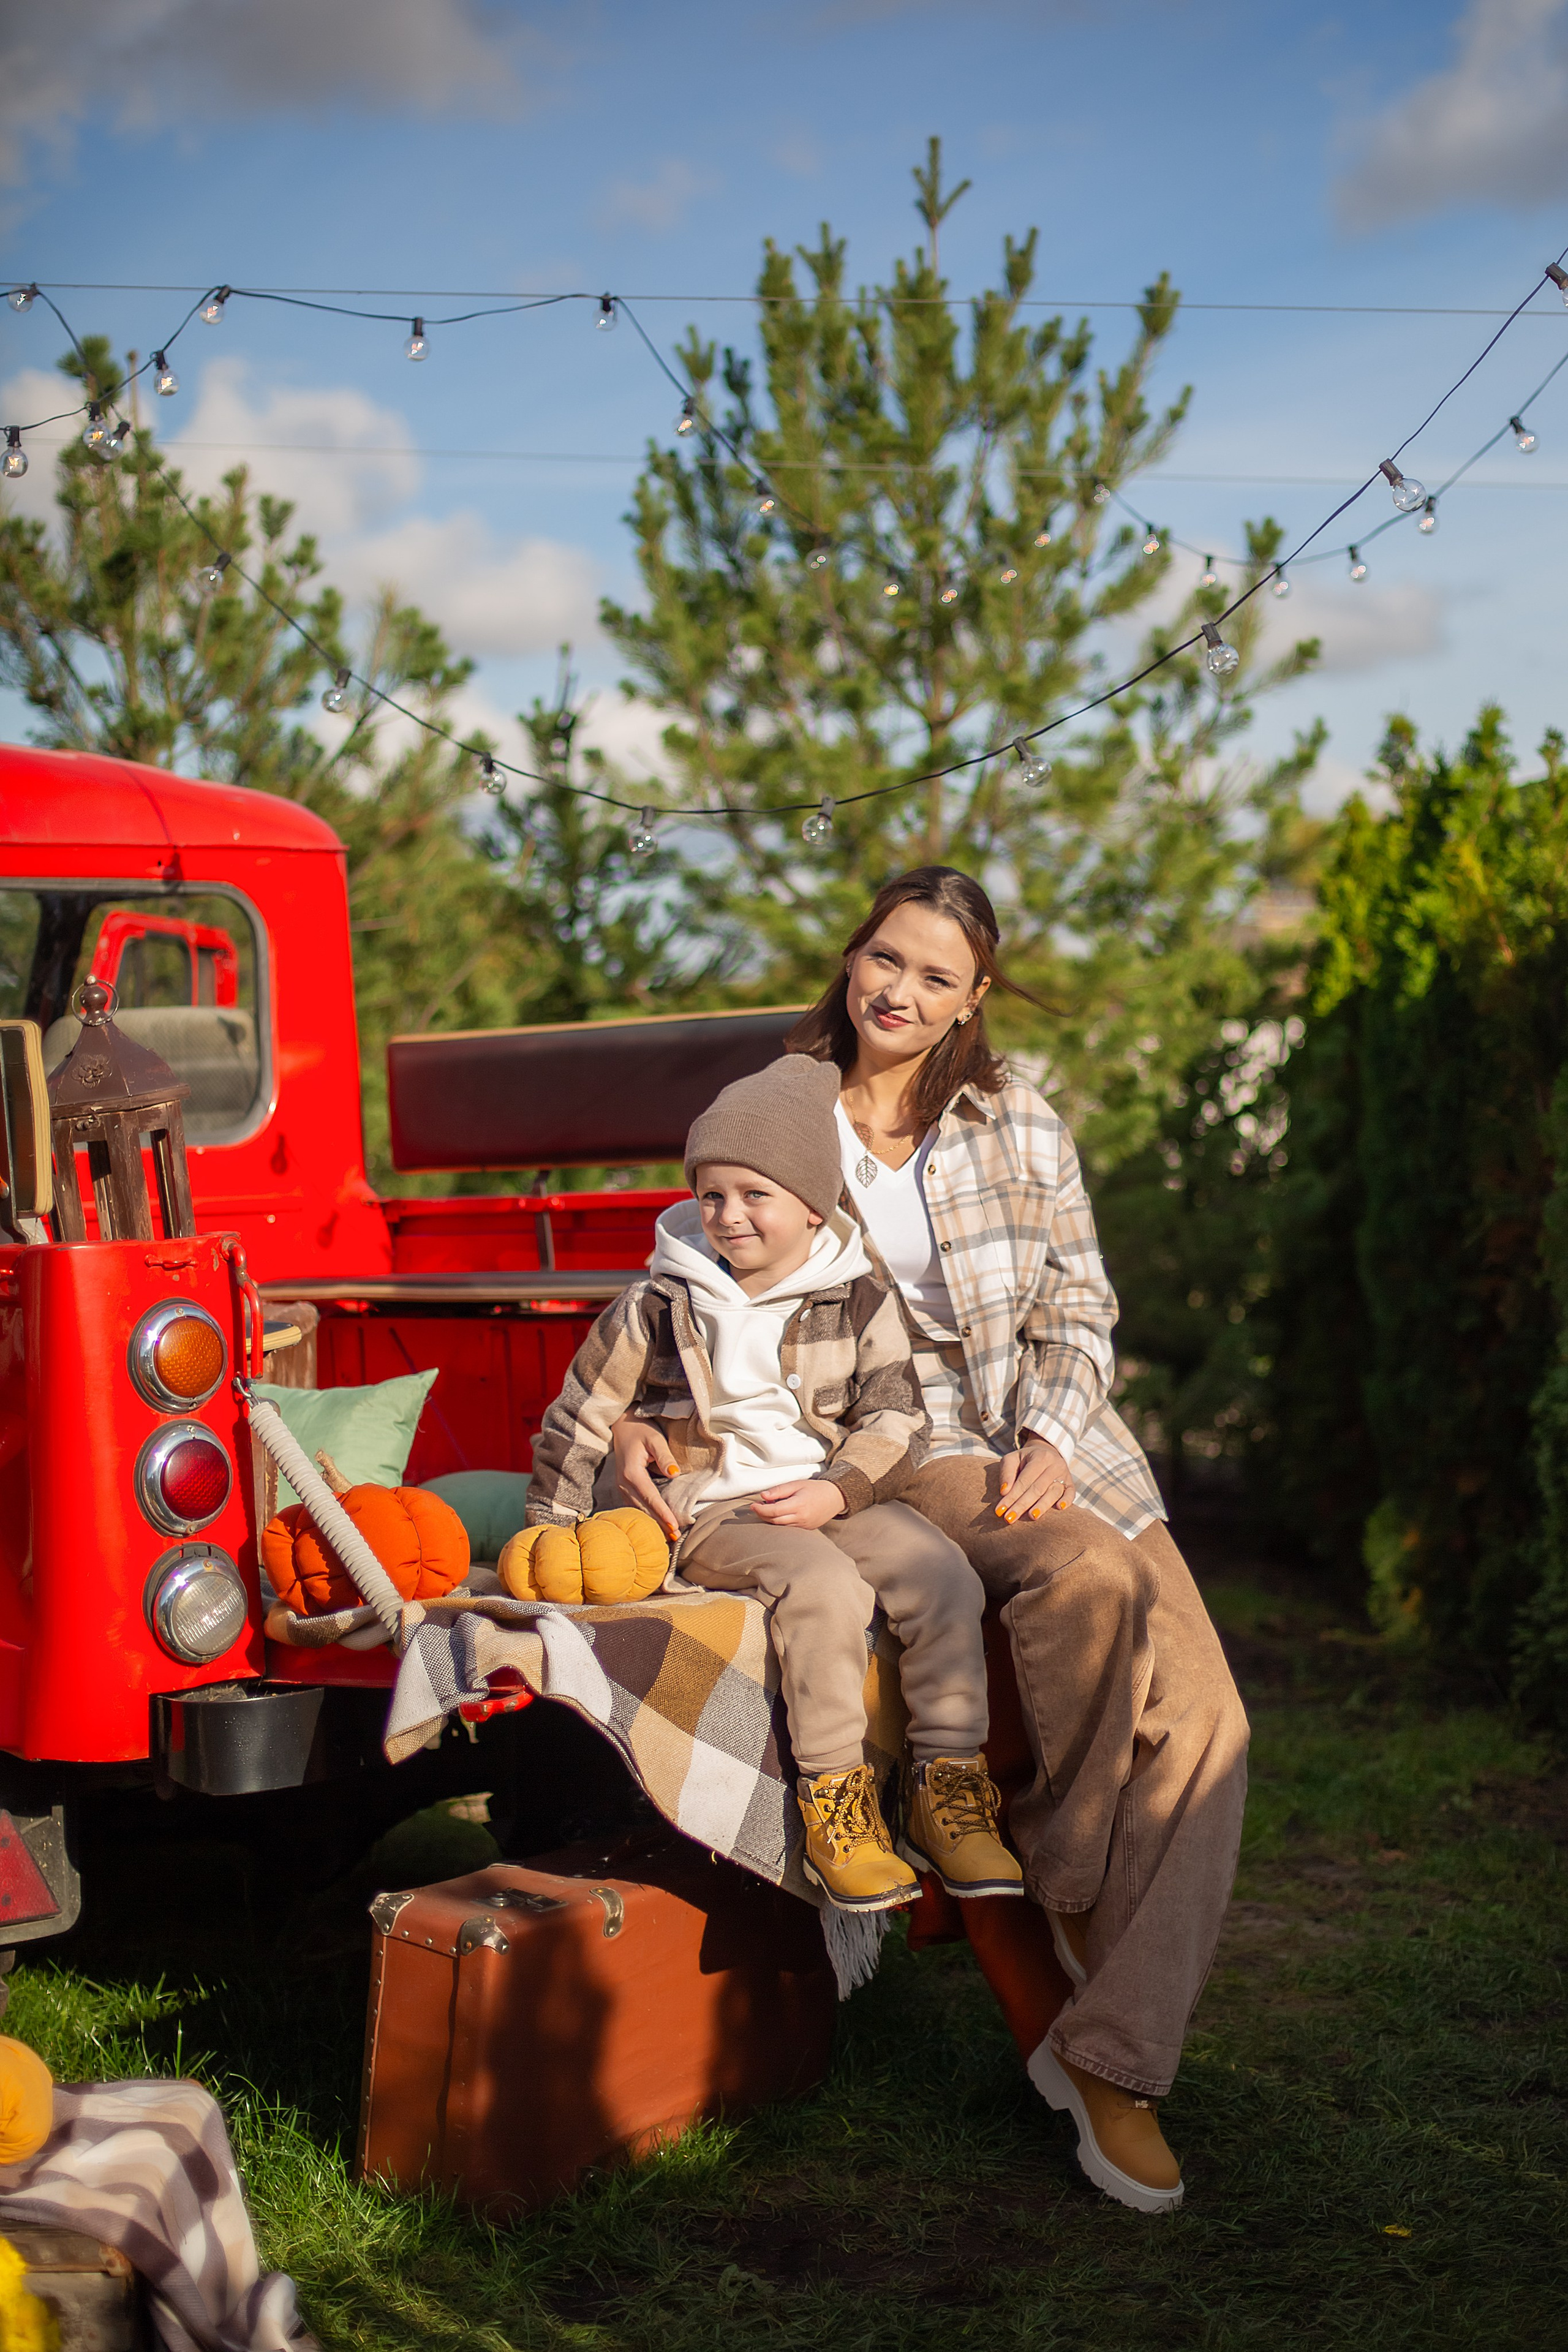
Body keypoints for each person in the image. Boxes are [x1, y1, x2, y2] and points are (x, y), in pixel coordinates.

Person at [612, 867, 1250, 2218]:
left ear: (971, 1000)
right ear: (853, 958)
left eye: (933, 977)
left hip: (1056, 1445)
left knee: (1208, 1726)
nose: (896, 993)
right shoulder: (787, 1107)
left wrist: (1063, 1431)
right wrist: (634, 1428)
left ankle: (1110, 2044)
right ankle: (1068, 1879)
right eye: (882, 959)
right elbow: (685, 1285)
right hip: (895, 1447)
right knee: (1078, 1577)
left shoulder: (1014, 1118)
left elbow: (1079, 1303)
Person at [524, 1050, 1024, 1917]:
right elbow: (583, 1413)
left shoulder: (857, 1298)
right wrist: (552, 1524)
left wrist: (839, 1491)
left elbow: (898, 1418)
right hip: (721, 1509)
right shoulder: (658, 1306)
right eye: (712, 1194)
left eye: (755, 1194)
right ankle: (837, 1804)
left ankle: (948, 1784)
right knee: (823, 1588)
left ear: (811, 1202)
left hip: (830, 1494)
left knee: (944, 1575)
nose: (729, 1215)